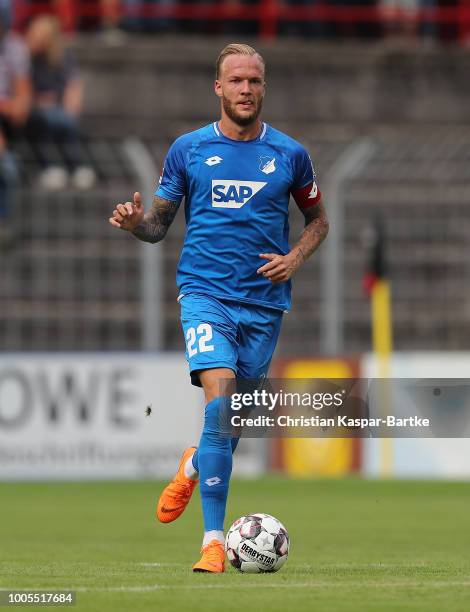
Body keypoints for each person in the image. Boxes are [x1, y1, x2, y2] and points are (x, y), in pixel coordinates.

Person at [108, 43, 329, 573]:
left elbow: (319, 220)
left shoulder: (290, 155)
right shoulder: (189, 149)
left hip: (265, 304)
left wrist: (294, 258)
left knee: (228, 423)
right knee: (222, 400)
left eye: (254, 81)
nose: (245, 90)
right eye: (236, 81)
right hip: (205, 295)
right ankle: (212, 541)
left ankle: (192, 463)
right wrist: (136, 222)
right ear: (218, 88)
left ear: (263, 87)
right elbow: (158, 226)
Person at [26, 14, 96, 190]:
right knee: (47, 119)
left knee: (65, 121)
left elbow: (73, 84)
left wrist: (69, 107)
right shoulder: (26, 58)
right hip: (36, 110)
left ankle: (78, 167)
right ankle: (59, 166)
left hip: (58, 109)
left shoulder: (62, 55)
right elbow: (23, 90)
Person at [0, 7, 31, 248]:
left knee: (8, 169)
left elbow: (20, 109)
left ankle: (4, 227)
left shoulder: (15, 48)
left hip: (7, 131)